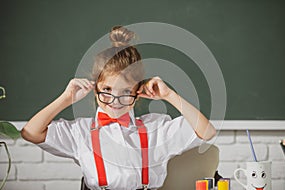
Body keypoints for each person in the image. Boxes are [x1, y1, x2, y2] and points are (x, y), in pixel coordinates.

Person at [21, 26, 216, 190]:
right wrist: (65, 99)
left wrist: (169, 95)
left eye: (125, 91)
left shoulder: (155, 128)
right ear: (95, 87)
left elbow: (207, 132)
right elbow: (31, 132)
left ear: (138, 91)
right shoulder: (81, 132)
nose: (115, 100)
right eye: (107, 89)